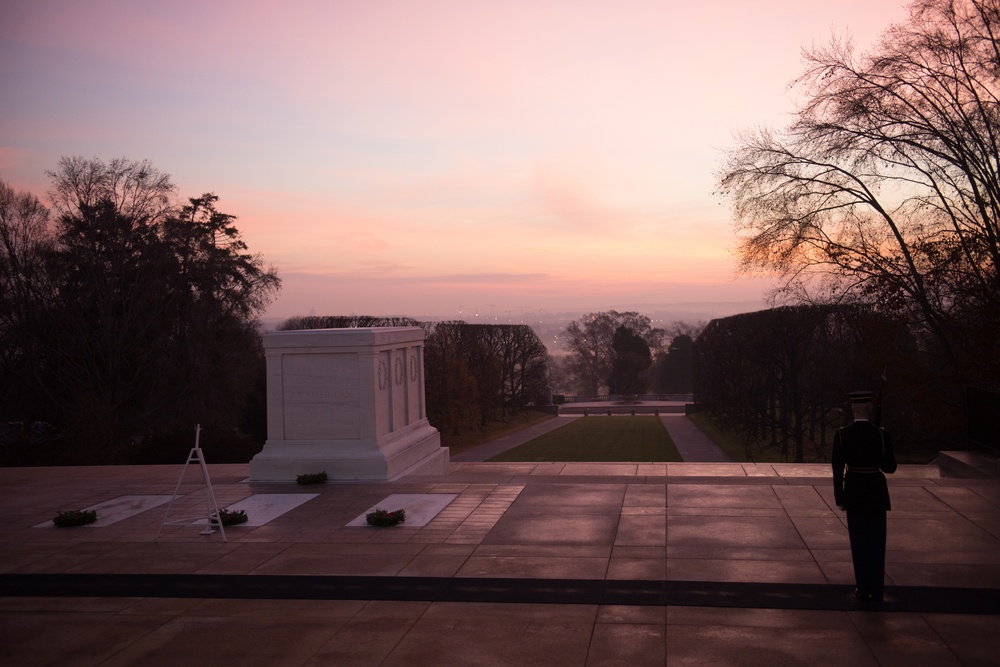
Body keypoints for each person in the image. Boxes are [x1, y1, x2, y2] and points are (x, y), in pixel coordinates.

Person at [832, 391, 897, 602]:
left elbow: (837, 469)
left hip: (855, 491)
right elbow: (890, 468)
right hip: (876, 492)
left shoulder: (842, 435)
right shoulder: (881, 434)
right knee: (877, 544)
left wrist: (839, 497)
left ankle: (862, 587)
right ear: (869, 410)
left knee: (859, 543)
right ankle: (877, 589)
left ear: (853, 410)